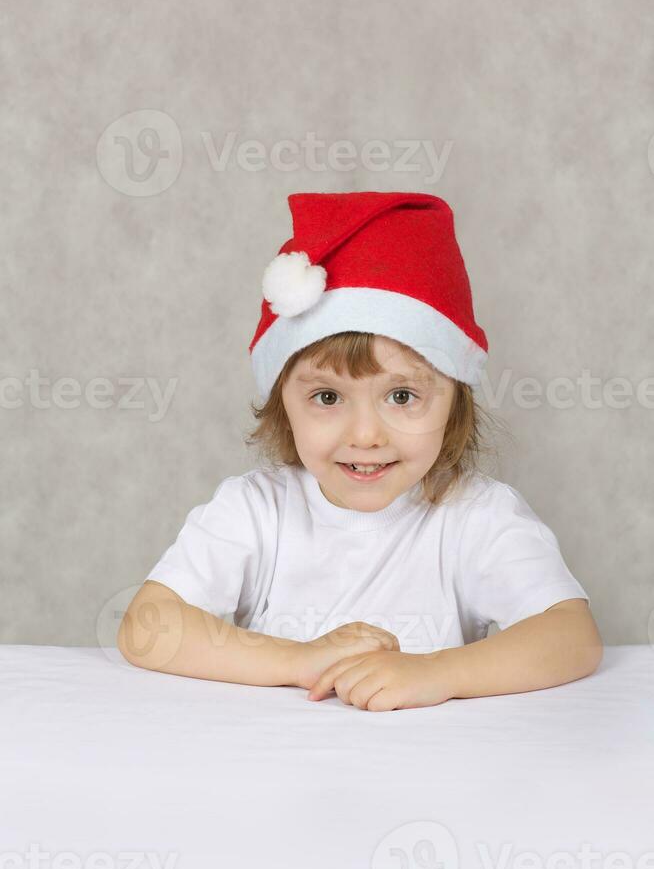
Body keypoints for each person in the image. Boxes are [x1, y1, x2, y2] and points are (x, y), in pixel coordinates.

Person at [118, 191, 603, 711]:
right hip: (272, 769)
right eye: (327, 397)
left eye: (402, 396)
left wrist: (435, 672)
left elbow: (572, 637)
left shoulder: (476, 515)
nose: (366, 435)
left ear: (454, 401)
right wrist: (299, 659)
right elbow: (147, 627)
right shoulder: (256, 509)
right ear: (283, 403)